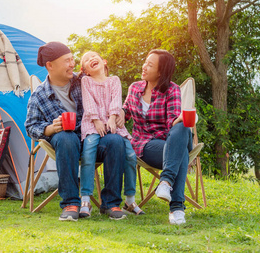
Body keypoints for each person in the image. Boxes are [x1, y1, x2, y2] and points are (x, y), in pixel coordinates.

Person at [25, 41, 126, 221]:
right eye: (67, 60)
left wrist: (121, 112)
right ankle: (71, 203)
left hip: (93, 138)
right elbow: (31, 127)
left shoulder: (84, 81)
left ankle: (111, 203)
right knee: (65, 137)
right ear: (50, 65)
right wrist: (50, 128)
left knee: (115, 141)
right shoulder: (39, 95)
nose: (73, 64)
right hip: (66, 145)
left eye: (72, 59)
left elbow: (110, 91)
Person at [119, 49, 193, 225]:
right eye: (145, 62)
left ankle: (166, 181)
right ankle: (176, 208)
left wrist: (181, 119)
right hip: (144, 145)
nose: (144, 67)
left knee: (182, 126)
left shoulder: (172, 90)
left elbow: (171, 124)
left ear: (161, 72)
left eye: (150, 65)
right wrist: (119, 113)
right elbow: (126, 112)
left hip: (167, 140)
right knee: (180, 154)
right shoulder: (134, 88)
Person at [79, 51, 144, 217]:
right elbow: (88, 102)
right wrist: (96, 120)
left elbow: (116, 101)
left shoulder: (114, 80)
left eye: (94, 56)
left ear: (104, 61)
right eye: (86, 60)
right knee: (88, 153)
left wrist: (113, 117)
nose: (91, 59)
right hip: (93, 125)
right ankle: (85, 197)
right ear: (85, 70)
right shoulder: (86, 81)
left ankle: (130, 199)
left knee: (130, 156)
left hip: (113, 124)